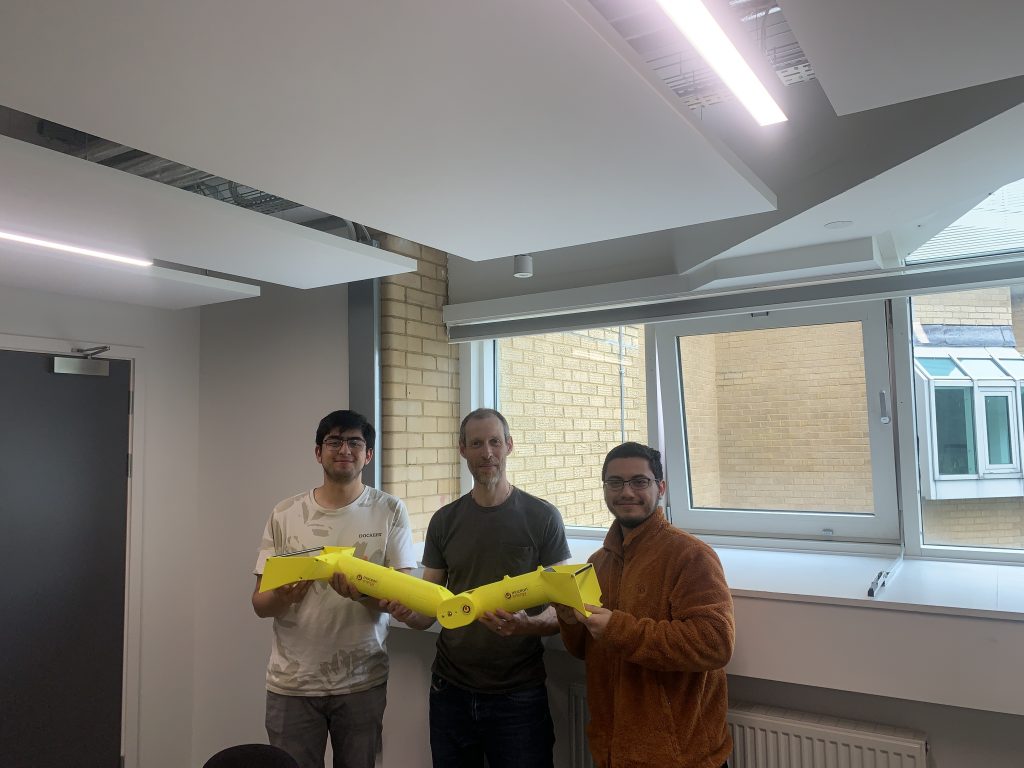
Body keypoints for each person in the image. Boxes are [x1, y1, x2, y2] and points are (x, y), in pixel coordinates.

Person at [386, 408, 571, 768]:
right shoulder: (445, 521)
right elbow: (429, 612)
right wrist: (406, 613)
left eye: (494, 442)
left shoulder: (542, 516)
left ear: (509, 445)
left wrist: (528, 625)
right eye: (476, 444)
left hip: (518, 694)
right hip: (450, 690)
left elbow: (564, 608)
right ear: (462, 450)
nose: (487, 453)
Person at [252, 410, 416, 768]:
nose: (344, 450)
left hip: (362, 680)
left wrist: (363, 594)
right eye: (334, 441)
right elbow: (260, 604)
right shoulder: (285, 513)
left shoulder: (389, 510)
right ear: (318, 452)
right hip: (292, 683)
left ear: (368, 455)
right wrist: (283, 596)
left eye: (355, 442)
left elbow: (404, 595)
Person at [555, 442, 734, 768]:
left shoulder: (691, 555)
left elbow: (715, 644)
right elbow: (584, 650)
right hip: (611, 753)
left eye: (639, 481)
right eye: (615, 482)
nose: (626, 492)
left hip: (680, 758)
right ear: (605, 489)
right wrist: (570, 621)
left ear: (660, 488)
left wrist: (617, 628)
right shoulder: (597, 563)